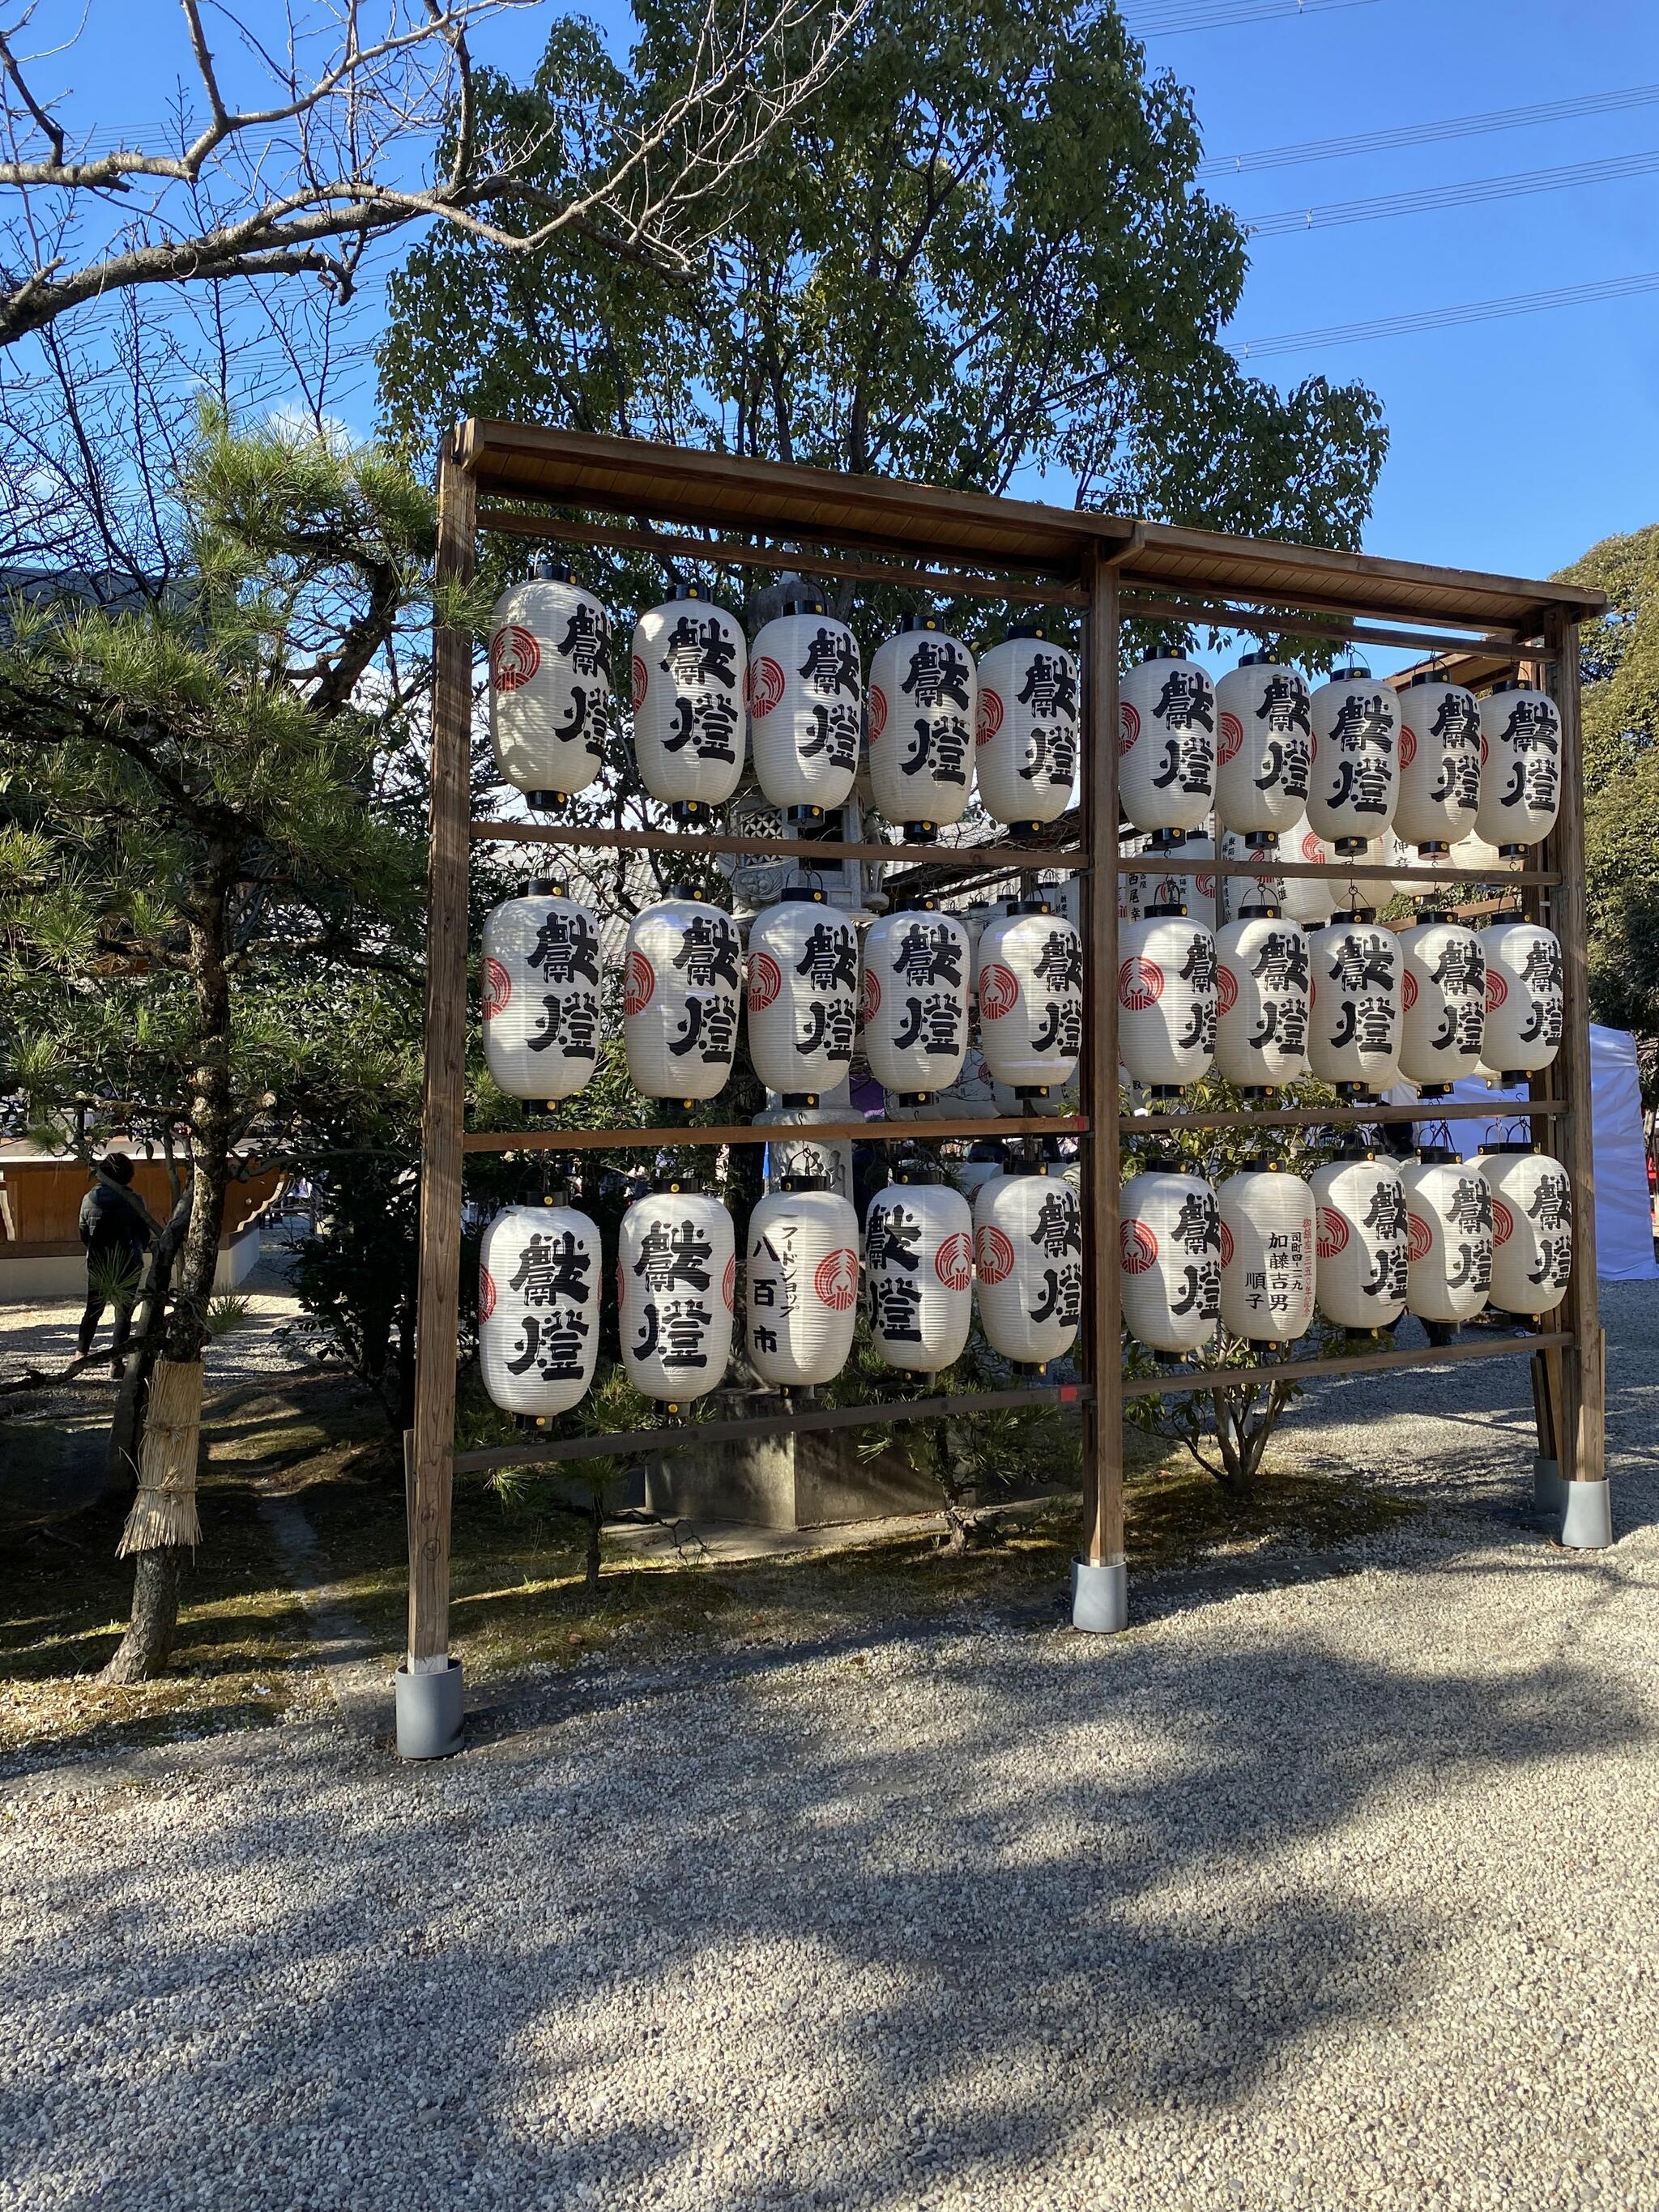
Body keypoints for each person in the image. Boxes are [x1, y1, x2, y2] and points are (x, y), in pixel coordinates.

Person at [77, 1153, 160, 1378]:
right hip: (128, 1261)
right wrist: (136, 1251)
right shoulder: (135, 1200)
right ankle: (116, 1363)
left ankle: (80, 1355)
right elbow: (143, 1233)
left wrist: (94, 1251)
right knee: (123, 1313)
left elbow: (84, 1232)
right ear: (128, 1175)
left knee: (92, 1310)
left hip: (98, 1262)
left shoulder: (88, 1199)